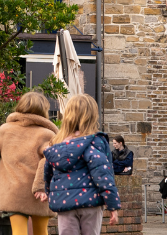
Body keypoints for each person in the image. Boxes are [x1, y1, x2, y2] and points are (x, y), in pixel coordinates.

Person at [36, 94, 120, 235]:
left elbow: (48, 173)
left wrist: (49, 193)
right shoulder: (94, 142)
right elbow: (104, 176)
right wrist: (113, 206)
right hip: (90, 203)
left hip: (65, 203)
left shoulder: (57, 144)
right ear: (92, 116)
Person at [0, 92, 58, 235]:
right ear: (43, 110)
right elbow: (51, 160)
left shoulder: (6, 130)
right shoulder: (47, 134)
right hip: (39, 193)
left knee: (18, 232)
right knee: (41, 232)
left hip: (14, 193)